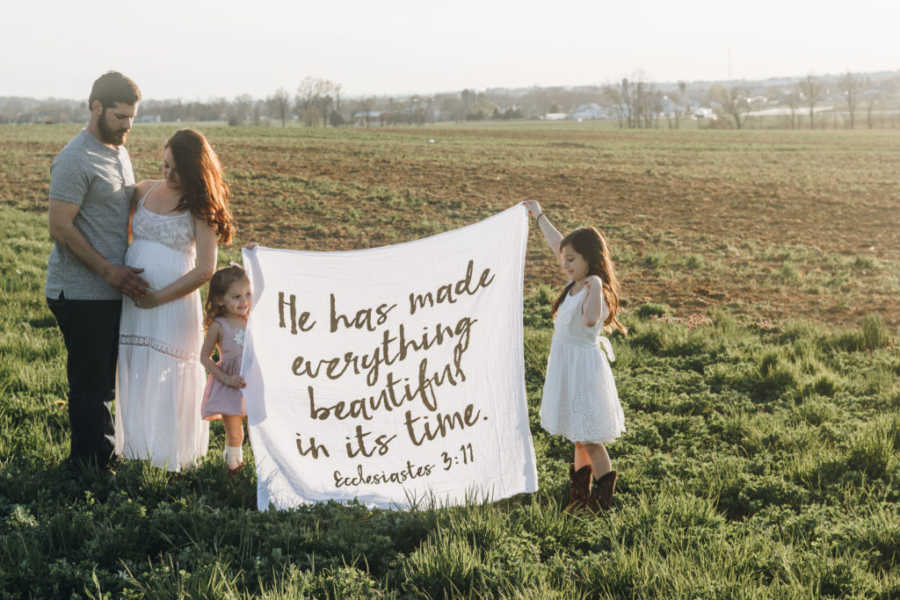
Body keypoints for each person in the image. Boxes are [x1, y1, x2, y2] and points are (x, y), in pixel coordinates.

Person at [115, 129, 235, 472]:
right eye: (165, 165)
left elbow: (205, 270)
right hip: (136, 302)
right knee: (137, 367)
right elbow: (121, 230)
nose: (168, 174)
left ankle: (169, 456)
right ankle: (135, 447)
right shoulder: (144, 190)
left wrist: (157, 298)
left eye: (177, 170)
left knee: (169, 373)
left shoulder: (199, 206)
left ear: (195, 172)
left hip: (173, 303)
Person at [45, 71, 147, 472]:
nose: (128, 126)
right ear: (96, 107)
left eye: (132, 118)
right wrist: (108, 272)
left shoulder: (119, 152)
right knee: (92, 384)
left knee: (105, 380)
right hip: (81, 290)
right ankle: (89, 468)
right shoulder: (75, 158)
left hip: (109, 288)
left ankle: (101, 458)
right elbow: (59, 227)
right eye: (120, 117)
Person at [524, 200, 627, 512]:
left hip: (584, 371)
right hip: (567, 367)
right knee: (578, 438)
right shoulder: (573, 281)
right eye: (564, 259)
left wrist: (595, 284)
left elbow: (590, 320)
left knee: (591, 439)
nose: (564, 263)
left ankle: (602, 503)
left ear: (589, 260)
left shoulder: (594, 291)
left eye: (572, 259)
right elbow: (559, 244)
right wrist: (538, 215)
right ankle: (579, 497)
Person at [199, 265, 251, 473]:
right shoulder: (219, 326)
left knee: (254, 431)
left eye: (248, 294)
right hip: (230, 385)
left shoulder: (251, 319)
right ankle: (233, 469)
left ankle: (256, 468)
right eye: (236, 296)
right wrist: (225, 379)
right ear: (220, 300)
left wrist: (253, 258)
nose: (244, 301)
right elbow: (205, 357)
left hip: (252, 382)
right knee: (235, 433)